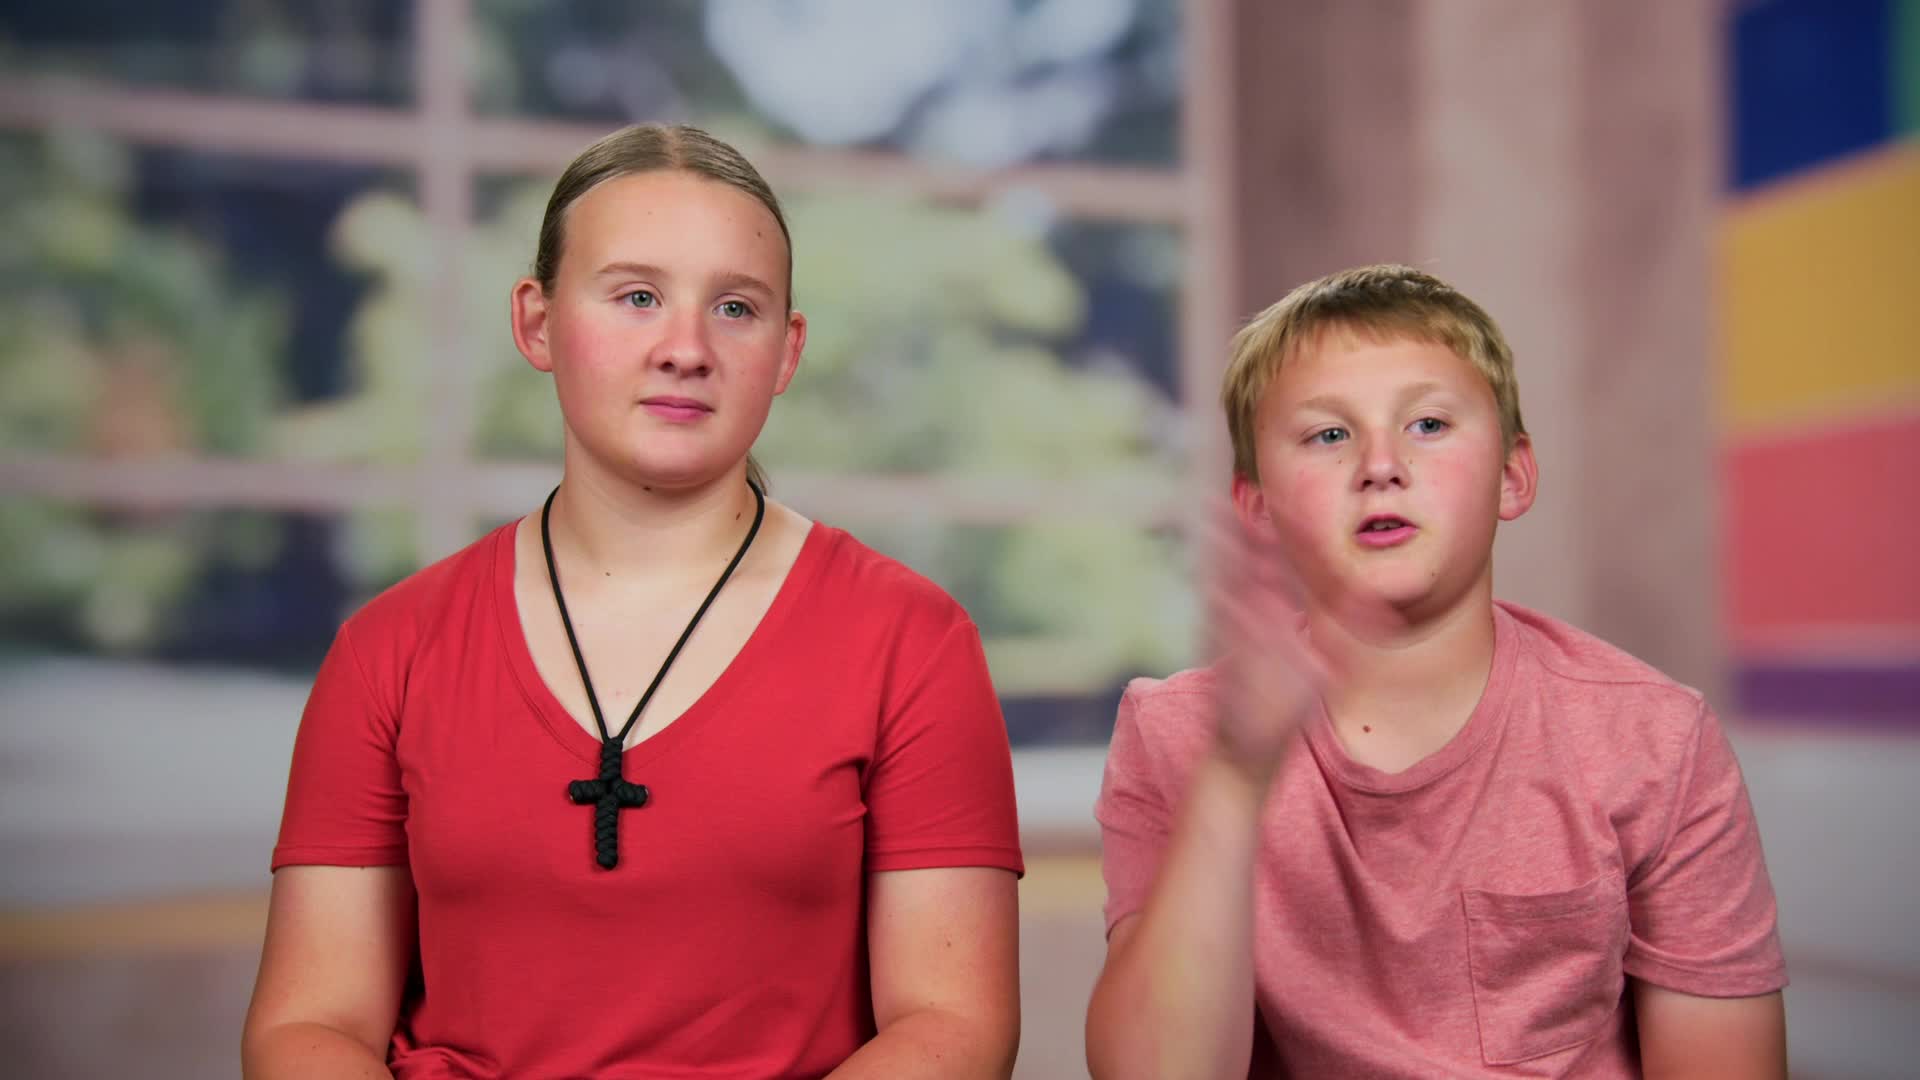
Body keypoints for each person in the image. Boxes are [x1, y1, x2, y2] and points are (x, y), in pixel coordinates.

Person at [243, 123, 1023, 1079]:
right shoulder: (388, 650)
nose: (685, 349)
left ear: (787, 351)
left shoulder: (912, 641)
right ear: (536, 322)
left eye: (735, 308)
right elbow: (309, 1025)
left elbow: (954, 1027)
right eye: (638, 297)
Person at [1084, 265, 1786, 1078]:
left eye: (1427, 424)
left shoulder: (1656, 739)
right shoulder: (1173, 735)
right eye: (1328, 435)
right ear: (1258, 506)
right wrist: (1236, 777)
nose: (1380, 464)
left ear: (1513, 477)